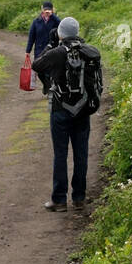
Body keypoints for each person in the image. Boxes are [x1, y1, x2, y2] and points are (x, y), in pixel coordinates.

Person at [43, 17, 101, 213]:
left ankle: (59, 200)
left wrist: (52, 44)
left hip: (60, 109)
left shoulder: (57, 52)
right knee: (81, 154)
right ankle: (79, 199)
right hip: (83, 110)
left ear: (60, 33)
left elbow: (37, 65)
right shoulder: (90, 52)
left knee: (60, 154)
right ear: (76, 32)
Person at [25, 1, 61, 87]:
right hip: (39, 49)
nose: (47, 12)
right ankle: (46, 85)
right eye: (45, 10)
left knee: (50, 69)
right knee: (39, 69)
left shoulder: (55, 20)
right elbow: (31, 37)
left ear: (52, 10)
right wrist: (28, 51)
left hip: (52, 49)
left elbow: (61, 26)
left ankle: (50, 87)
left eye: (49, 10)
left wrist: (53, 16)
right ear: (42, 10)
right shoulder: (36, 22)